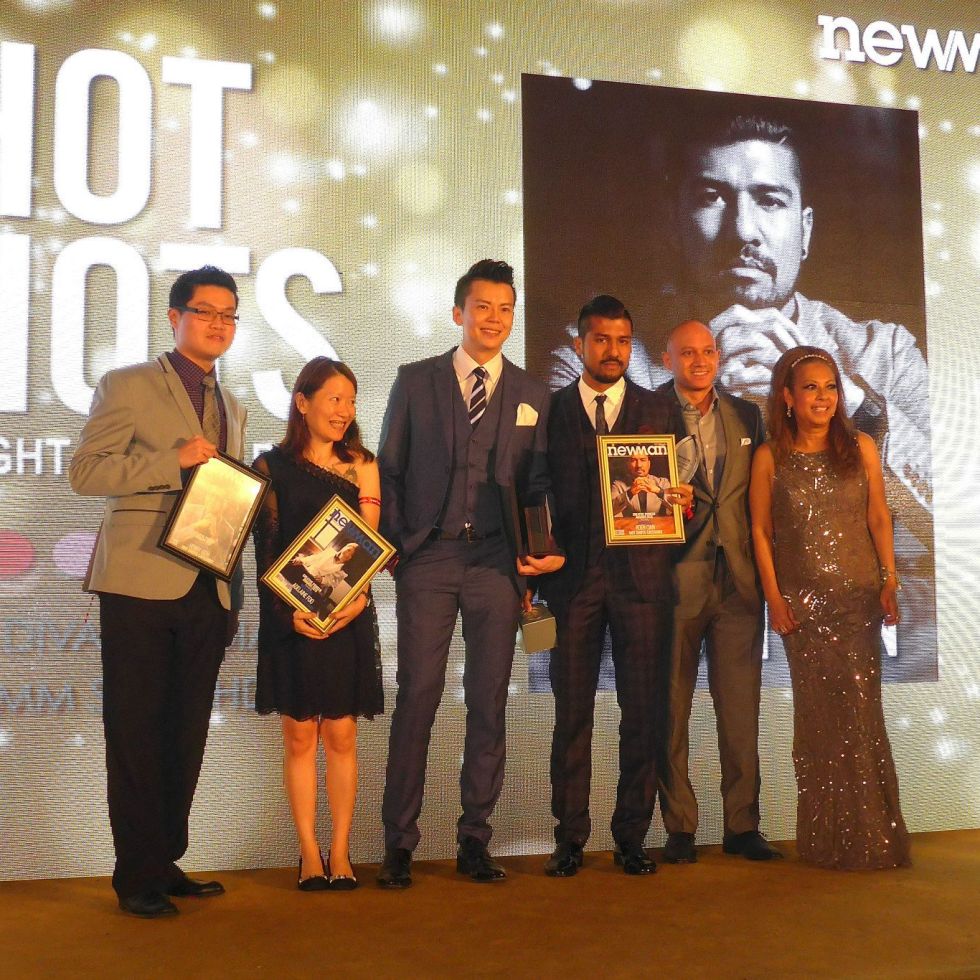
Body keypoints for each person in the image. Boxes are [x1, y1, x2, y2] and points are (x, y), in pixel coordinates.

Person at [547, 114, 931, 531]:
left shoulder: (886, 355)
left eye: (770, 200)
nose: (743, 230)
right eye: (711, 197)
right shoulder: (595, 355)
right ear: (674, 223)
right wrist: (690, 403)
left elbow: (950, 516)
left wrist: (846, 406)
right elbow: (573, 515)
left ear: (805, 230)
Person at [376, 259, 564, 888]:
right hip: (428, 559)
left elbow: (538, 485)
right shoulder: (415, 380)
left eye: (505, 309)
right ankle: (399, 843)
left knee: (488, 701)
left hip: (495, 563)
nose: (495, 319)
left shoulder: (533, 393)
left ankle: (475, 840)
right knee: (418, 696)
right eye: (483, 307)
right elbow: (390, 469)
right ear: (459, 312)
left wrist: (539, 551)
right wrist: (399, 547)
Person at [69, 266, 246, 918]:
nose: (218, 324)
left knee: (186, 733)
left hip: (207, 586)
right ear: (175, 318)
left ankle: (165, 859)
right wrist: (170, 461)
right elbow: (85, 472)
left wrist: (233, 591)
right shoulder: (128, 384)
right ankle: (136, 876)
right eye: (205, 311)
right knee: (137, 730)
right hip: (138, 582)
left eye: (228, 314)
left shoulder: (232, 406)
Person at [536, 295, 692, 878]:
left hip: (643, 583)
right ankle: (569, 838)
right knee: (571, 715)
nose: (613, 351)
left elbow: (684, 495)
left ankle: (632, 836)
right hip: (571, 583)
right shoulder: (550, 409)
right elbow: (534, 491)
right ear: (580, 344)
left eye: (623, 340)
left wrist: (682, 502)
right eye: (601, 340)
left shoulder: (660, 409)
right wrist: (533, 562)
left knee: (643, 714)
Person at [748, 346, 911, 869]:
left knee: (862, 715)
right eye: (811, 388)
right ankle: (828, 839)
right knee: (819, 722)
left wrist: (889, 579)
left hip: (859, 600)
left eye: (830, 387)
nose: (823, 397)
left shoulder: (860, 447)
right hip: (804, 608)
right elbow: (760, 531)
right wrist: (774, 597)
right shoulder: (770, 456)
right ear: (787, 397)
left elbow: (879, 517)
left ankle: (873, 839)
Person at [252, 357, 384, 892]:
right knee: (300, 734)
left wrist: (358, 598)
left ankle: (342, 849)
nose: (344, 410)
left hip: (347, 615)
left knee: (342, 734)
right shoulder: (269, 467)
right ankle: (308, 851)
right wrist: (288, 615)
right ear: (302, 402)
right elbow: (266, 553)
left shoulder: (364, 466)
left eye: (350, 401)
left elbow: (369, 547)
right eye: (334, 399)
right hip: (291, 619)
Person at [655, 319, 780, 864]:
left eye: (707, 351)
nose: (700, 361)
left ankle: (743, 826)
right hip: (674, 579)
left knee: (740, 709)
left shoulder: (748, 415)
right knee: (670, 708)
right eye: (687, 353)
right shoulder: (647, 413)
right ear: (668, 360)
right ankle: (679, 829)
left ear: (718, 356)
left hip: (739, 582)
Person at [611, 452, 670, 517]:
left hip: (659, 523)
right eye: (633, 460)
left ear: (649, 464)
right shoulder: (618, 485)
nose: (639, 465)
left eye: (643, 460)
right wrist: (629, 493)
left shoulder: (663, 482)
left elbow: (674, 509)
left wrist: (659, 491)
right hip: (628, 524)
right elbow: (610, 511)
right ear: (628, 464)